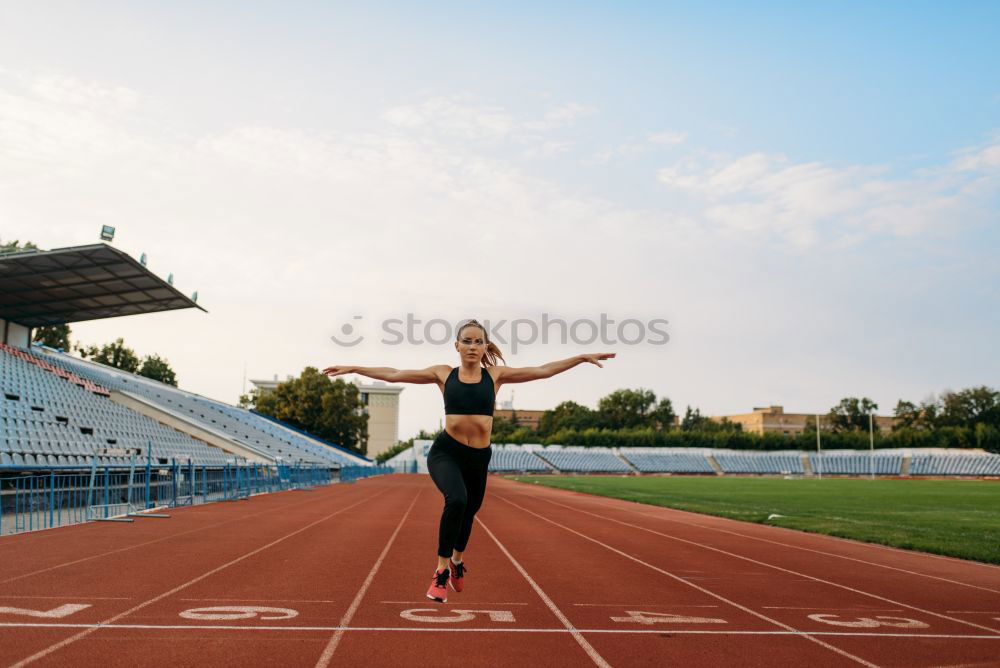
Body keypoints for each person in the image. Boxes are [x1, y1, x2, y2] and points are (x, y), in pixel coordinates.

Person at [323, 318, 615, 603]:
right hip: (446, 452)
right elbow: (396, 373)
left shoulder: (496, 376)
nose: (473, 346)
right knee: (457, 500)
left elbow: (542, 370)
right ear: (456, 346)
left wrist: (579, 358)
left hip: (479, 457)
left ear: (485, 345)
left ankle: (457, 562)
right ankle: (440, 573)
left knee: (470, 510)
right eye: (467, 341)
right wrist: (355, 367)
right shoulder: (443, 374)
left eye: (478, 341)